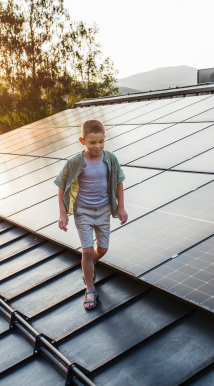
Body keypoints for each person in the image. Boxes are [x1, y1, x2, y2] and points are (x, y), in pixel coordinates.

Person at [55, 119, 128, 309]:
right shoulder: (76, 162)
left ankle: (87, 265)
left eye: (101, 142)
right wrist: (63, 213)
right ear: (83, 141)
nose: (97, 146)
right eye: (92, 143)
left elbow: (119, 181)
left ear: (105, 138)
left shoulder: (110, 159)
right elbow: (62, 186)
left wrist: (121, 207)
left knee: (102, 250)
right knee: (87, 250)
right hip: (83, 212)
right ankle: (90, 289)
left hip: (104, 211)